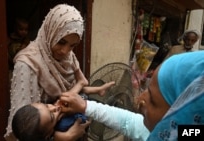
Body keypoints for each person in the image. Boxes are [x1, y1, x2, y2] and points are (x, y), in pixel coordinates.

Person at [60, 51, 204, 141]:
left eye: (153, 100)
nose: (140, 99)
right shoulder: (184, 132)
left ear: (182, 114)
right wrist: (85, 106)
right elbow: (130, 123)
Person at [4, 4, 93, 141]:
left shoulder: (69, 57)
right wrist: (63, 137)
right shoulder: (27, 64)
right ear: (50, 31)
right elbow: (26, 131)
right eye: (61, 42)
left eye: (72, 45)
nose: (65, 51)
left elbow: (78, 89)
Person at [11, 81, 115, 141]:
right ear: (49, 133)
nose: (54, 108)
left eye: (46, 105)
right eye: (52, 116)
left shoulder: (49, 128)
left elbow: (67, 97)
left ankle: (99, 91)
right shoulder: (64, 127)